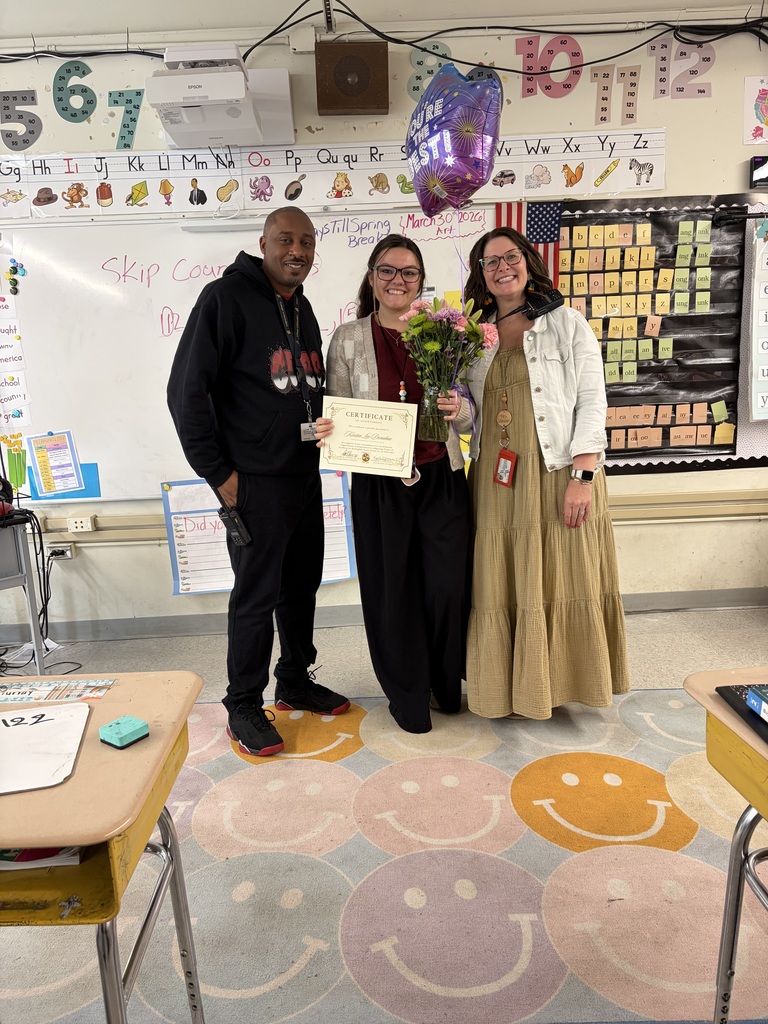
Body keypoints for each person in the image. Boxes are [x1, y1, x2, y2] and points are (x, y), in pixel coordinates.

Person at [167, 207, 351, 756]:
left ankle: (294, 679)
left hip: (302, 476)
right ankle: (243, 703)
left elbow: (307, 392)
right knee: (255, 596)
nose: (298, 250)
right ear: (264, 242)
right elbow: (185, 393)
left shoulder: (305, 308)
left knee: (301, 587)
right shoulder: (224, 300)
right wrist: (218, 475)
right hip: (252, 483)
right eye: (286, 239)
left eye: (307, 242)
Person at [453, 226, 629, 720]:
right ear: (480, 275)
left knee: (562, 570)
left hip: (556, 470)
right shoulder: (474, 334)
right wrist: (454, 409)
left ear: (528, 262)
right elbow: (471, 412)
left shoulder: (566, 322)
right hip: (495, 473)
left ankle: (560, 685)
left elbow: (593, 400)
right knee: (501, 579)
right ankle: (509, 688)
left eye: (510, 257)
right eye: (490, 262)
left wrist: (584, 475)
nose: (502, 267)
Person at [326, 234, 471, 733]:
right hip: (379, 484)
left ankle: (445, 684)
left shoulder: (446, 333)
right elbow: (337, 412)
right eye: (387, 270)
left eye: (408, 273)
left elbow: (468, 417)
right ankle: (407, 695)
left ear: (420, 282)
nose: (397, 280)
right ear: (371, 278)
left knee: (447, 588)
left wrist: (460, 408)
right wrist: (327, 431)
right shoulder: (347, 338)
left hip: (442, 478)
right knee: (393, 590)